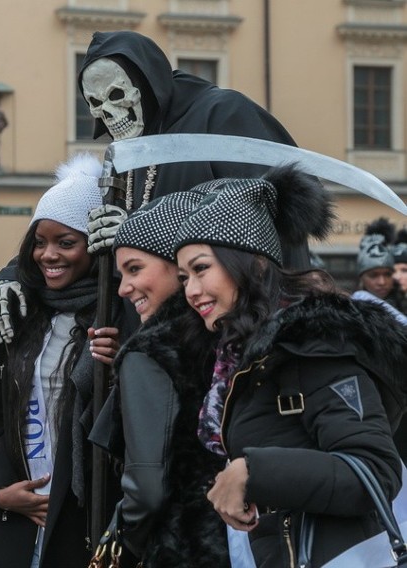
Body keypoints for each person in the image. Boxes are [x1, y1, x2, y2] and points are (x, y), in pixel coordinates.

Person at [0, 30, 313, 345]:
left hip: (234, 328)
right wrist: (13, 275)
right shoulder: (130, 151)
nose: (109, 115)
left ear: (147, 84)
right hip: (154, 340)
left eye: (117, 96)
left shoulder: (220, 114)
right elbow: (71, 238)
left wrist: (136, 232)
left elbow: (263, 215)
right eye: (96, 104)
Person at [173, 166, 407, 566]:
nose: (191, 290)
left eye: (201, 269)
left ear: (254, 264)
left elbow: (375, 470)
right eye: (183, 277)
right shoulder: (240, 358)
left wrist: (253, 472)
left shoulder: (312, 345)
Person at [0, 154, 124, 568]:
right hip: (16, 514)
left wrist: (118, 368)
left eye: (66, 242)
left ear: (93, 248)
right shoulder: (22, 311)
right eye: (39, 242)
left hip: (79, 513)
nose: (48, 255)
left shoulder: (117, 313)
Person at [100, 190, 228, 567]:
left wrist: (129, 540)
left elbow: (147, 488)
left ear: (178, 265)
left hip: (178, 547)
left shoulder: (150, 352)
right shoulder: (231, 338)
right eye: (121, 273)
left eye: (135, 269)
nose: (123, 288)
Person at [352, 218, 407, 315]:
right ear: (361, 278)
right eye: (373, 275)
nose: (382, 282)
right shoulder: (350, 314)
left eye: (388, 274)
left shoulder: (403, 307)